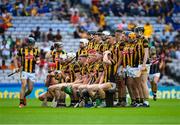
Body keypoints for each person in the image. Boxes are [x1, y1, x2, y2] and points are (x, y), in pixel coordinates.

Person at [14, 37, 40, 108]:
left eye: (33, 44)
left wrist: (37, 61)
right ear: (27, 44)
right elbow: (15, 58)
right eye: (31, 44)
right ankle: (21, 103)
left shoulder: (36, 51)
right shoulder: (22, 50)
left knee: (30, 90)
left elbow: (38, 60)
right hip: (24, 71)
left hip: (32, 72)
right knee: (24, 85)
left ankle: (24, 96)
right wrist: (16, 67)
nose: (32, 46)